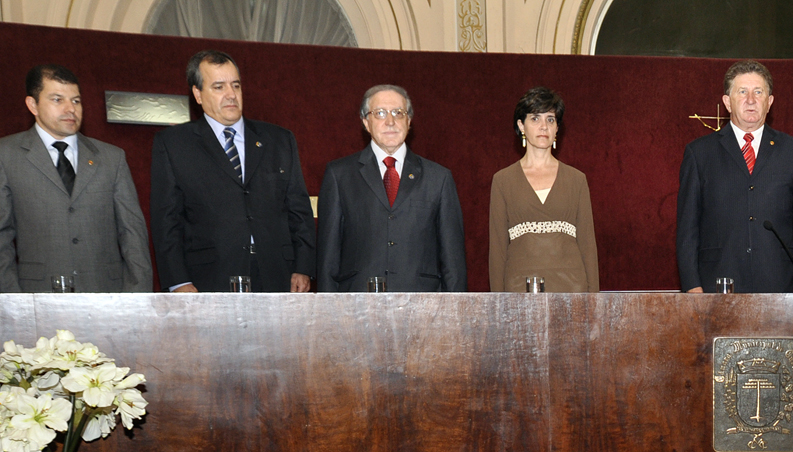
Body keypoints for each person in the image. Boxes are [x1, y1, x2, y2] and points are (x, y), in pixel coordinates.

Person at [150, 50, 315, 293]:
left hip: (277, 276)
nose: (231, 95)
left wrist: (303, 266)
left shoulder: (279, 140)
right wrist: (179, 281)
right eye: (218, 87)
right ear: (198, 94)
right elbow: (166, 220)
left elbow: (298, 209)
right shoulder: (174, 144)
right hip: (209, 278)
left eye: (235, 85)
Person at [0, 64, 151, 292]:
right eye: (57, 99)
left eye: (76, 101)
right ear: (33, 105)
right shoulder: (6, 155)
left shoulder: (112, 158)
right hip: (36, 298)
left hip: (106, 295)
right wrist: (12, 303)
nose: (70, 109)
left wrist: (138, 299)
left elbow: (133, 234)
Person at [676, 60, 793, 293]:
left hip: (779, 286)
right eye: (742, 92)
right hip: (716, 286)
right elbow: (687, 230)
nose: (751, 100)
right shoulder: (699, 154)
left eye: (758, 92)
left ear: (769, 102)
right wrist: (692, 287)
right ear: (727, 102)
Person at [316, 84, 465, 292]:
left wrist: (454, 315)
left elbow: (453, 260)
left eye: (398, 112)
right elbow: (327, 256)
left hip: (423, 304)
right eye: (380, 113)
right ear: (366, 123)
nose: (390, 121)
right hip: (357, 303)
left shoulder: (438, 178)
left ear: (409, 121)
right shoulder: (339, 175)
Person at [489, 86, 598, 293]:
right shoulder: (502, 181)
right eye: (535, 118)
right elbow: (497, 251)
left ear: (557, 128)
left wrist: (594, 303)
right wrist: (498, 305)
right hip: (518, 290)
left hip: (572, 289)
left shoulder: (577, 180)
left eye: (550, 119)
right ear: (521, 125)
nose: (543, 126)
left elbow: (588, 247)